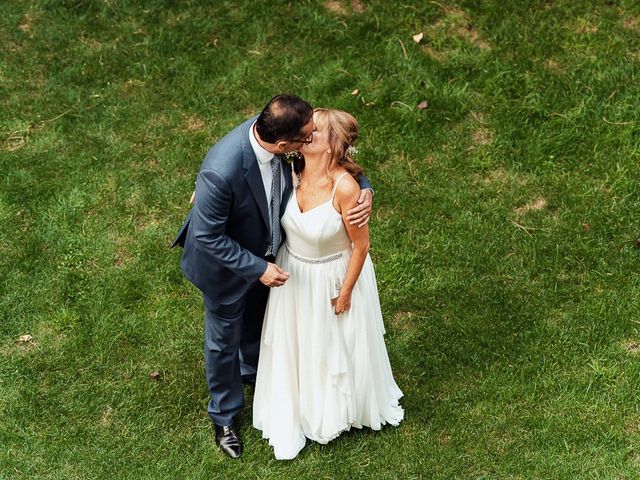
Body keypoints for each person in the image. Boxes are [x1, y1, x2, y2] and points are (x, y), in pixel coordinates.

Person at [172, 95, 374, 459]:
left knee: (258, 319)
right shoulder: (223, 169)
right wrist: (258, 268)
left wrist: (367, 190)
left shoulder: (280, 127)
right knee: (223, 341)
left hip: (273, 254)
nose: (312, 138)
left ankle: (254, 371)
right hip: (226, 265)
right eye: (307, 137)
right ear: (285, 146)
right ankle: (225, 416)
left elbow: (336, 151)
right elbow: (207, 237)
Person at [252, 108, 404, 460]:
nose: (305, 133)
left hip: (333, 277)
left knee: (331, 346)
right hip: (293, 276)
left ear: (332, 145)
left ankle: (334, 409)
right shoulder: (291, 170)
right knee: (298, 343)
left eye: (314, 131)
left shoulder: (346, 188)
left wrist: (346, 292)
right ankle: (298, 402)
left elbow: (361, 245)